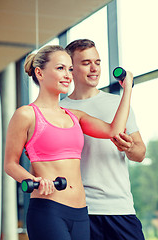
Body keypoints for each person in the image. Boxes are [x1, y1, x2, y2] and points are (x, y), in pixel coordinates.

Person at [4, 44, 133, 240]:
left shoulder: (74, 116)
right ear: (39, 72)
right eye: (60, 68)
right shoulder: (26, 115)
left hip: (81, 212)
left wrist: (127, 90)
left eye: (70, 69)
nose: (68, 75)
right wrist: (32, 180)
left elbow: (113, 130)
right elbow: (10, 164)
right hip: (49, 210)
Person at [60, 39, 146, 240]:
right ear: (70, 69)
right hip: (80, 209)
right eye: (86, 63)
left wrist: (129, 147)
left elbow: (140, 153)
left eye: (97, 62)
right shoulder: (60, 110)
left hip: (119, 207)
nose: (94, 69)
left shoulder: (118, 103)